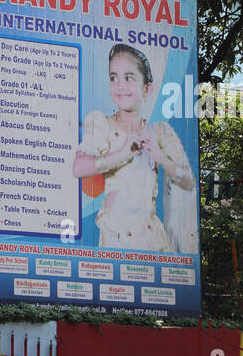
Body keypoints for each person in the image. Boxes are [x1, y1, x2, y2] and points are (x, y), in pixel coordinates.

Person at [71, 44, 196, 252]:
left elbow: (188, 181)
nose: (120, 85)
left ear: (147, 88)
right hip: (116, 238)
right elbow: (79, 168)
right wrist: (121, 154)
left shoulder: (161, 132)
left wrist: (161, 158)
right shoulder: (101, 123)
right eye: (114, 77)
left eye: (129, 77)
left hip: (153, 242)